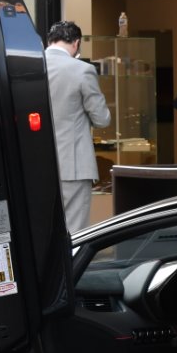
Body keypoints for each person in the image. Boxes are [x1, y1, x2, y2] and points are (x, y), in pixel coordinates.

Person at [43, 21, 111, 233]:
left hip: (36, 164)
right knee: (74, 231)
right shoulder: (82, 70)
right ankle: (70, 267)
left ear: (50, 41)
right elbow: (102, 119)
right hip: (72, 164)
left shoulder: (28, 67)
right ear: (76, 43)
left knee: (44, 229)